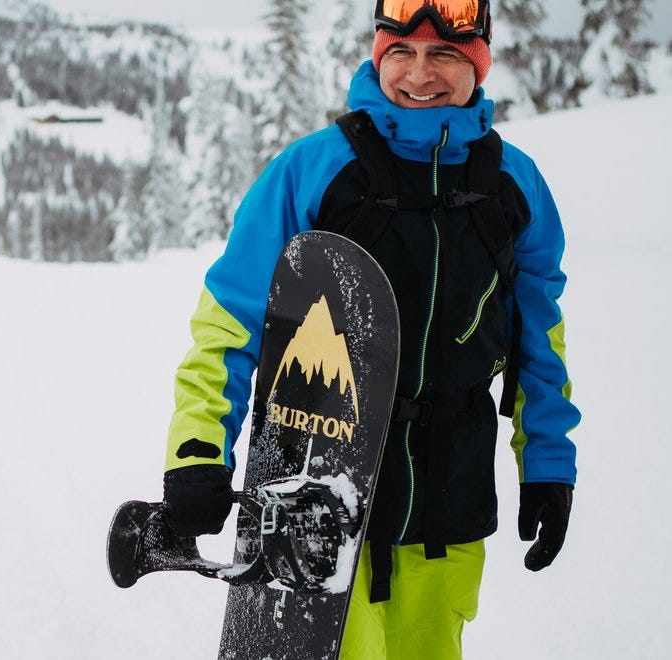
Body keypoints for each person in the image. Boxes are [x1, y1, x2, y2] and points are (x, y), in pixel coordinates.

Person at [159, 0, 580, 658]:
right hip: (316, 504)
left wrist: (548, 464)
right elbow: (229, 327)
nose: (419, 74)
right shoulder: (313, 169)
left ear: (479, 62)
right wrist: (197, 453)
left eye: (444, 54)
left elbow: (539, 345)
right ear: (377, 55)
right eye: (401, 53)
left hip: (449, 505)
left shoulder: (511, 184)